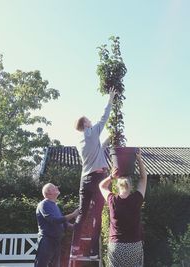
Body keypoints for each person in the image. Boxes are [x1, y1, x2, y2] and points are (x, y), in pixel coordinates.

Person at [72, 88, 116, 259]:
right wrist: (110, 99)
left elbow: (98, 150)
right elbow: (104, 117)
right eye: (88, 120)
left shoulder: (80, 141)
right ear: (85, 124)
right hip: (98, 178)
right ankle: (92, 251)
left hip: (85, 179)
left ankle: (75, 247)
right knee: (97, 214)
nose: (91, 121)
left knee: (82, 214)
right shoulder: (91, 131)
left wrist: (107, 139)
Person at [99, 149, 147, 267]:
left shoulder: (112, 200)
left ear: (117, 185)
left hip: (116, 246)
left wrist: (111, 176)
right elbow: (143, 178)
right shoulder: (137, 198)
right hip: (134, 245)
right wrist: (139, 159)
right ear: (130, 185)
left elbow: (101, 186)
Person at [34, 183, 79, 267]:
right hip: (46, 240)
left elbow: (62, 222)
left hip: (56, 240)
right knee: (41, 264)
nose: (57, 187)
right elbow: (54, 220)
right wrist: (73, 215)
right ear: (49, 192)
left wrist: (73, 226)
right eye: (54, 187)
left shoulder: (55, 205)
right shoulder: (44, 204)